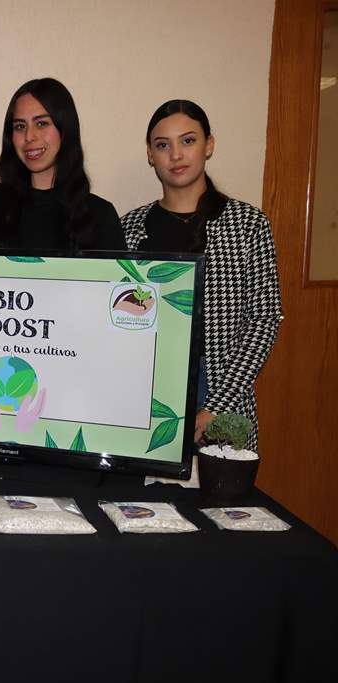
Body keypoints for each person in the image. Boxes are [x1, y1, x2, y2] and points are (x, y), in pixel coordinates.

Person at [120, 100, 281, 449]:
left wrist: (215, 406)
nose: (176, 154)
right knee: (142, 501)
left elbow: (264, 319)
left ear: (209, 145)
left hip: (221, 385)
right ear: (150, 154)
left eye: (188, 141)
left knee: (218, 499)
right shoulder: (130, 227)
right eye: (163, 145)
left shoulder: (247, 224)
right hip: (146, 385)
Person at [0, 78, 124, 250]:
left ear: (65, 129)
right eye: (20, 126)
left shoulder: (101, 215)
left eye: (41, 123)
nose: (29, 136)